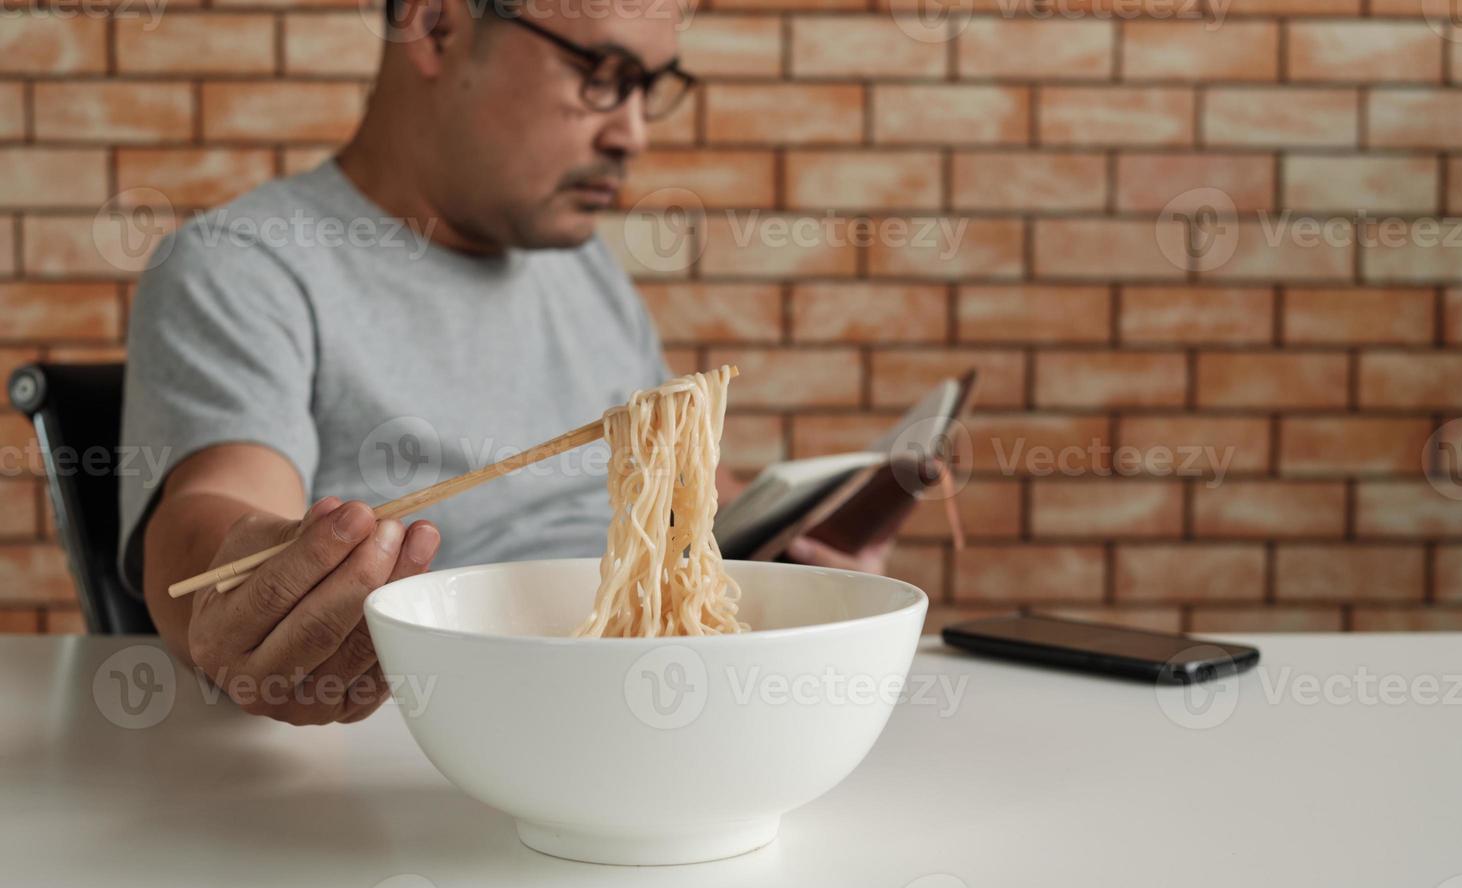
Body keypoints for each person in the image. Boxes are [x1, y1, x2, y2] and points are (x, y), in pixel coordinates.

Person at [119, 0, 895, 726]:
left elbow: (692, 502)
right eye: (602, 76)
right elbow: (212, 516)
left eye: (648, 88)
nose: (633, 136)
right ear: (435, 28)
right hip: (449, 731)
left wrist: (806, 548)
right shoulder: (246, 266)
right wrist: (243, 596)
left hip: (674, 708)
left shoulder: (581, 266)